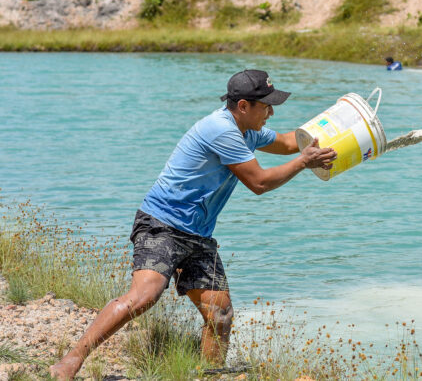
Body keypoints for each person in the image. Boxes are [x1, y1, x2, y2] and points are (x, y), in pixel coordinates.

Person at [49, 69, 337, 380]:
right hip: (162, 223)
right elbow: (259, 183)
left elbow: (286, 141)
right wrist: (305, 161)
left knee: (220, 314)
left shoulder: (249, 131)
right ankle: (70, 362)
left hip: (198, 235)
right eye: (266, 105)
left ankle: (208, 375)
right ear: (243, 106)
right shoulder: (221, 130)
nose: (271, 112)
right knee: (145, 296)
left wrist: (338, 132)